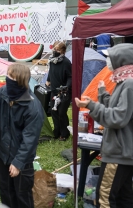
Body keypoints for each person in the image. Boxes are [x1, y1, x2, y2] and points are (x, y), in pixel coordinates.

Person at [75, 43, 133, 208]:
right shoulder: (124, 82)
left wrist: (92, 107)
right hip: (124, 152)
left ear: (121, 60)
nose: (108, 61)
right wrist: (102, 94)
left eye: (110, 57)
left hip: (118, 152)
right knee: (124, 198)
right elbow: (119, 109)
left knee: (104, 199)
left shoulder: (129, 84)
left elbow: (117, 118)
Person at [0, 64, 44, 208]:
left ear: (20, 80)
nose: (7, 79)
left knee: (22, 196)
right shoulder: (1, 93)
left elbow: (30, 140)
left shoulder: (33, 107)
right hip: (3, 154)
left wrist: (18, 162)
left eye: (11, 77)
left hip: (22, 160)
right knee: (6, 192)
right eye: (8, 75)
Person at [45, 41, 72, 140]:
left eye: (58, 50)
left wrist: (66, 86)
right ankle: (56, 131)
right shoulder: (52, 60)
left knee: (61, 112)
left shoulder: (66, 62)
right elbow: (50, 71)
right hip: (53, 90)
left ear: (63, 51)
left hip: (64, 92)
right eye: (54, 49)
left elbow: (70, 76)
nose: (55, 51)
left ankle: (65, 133)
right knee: (54, 111)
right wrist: (48, 80)